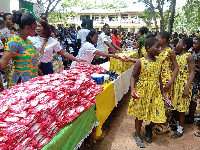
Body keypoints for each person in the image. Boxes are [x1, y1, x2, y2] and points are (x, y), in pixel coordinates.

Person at [127, 37, 166, 148]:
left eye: (160, 47)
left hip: (155, 92)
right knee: (139, 114)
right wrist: (132, 90)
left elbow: (159, 78)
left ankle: (149, 127)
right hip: (142, 91)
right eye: (157, 47)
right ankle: (137, 134)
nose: (159, 49)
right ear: (148, 48)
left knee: (158, 113)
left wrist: (162, 93)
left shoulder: (159, 61)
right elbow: (133, 76)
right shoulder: (141, 61)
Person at [0, 10, 42, 87]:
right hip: (20, 84)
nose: (36, 31)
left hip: (32, 82)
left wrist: (40, 76)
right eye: (34, 28)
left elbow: (32, 63)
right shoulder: (14, 42)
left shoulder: (29, 42)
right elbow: (3, 62)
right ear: (28, 27)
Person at [154, 31, 179, 133]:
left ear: (164, 39)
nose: (156, 39)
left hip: (166, 79)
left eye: (158, 38)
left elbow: (176, 67)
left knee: (165, 103)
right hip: (158, 79)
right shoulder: (158, 50)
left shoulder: (170, 51)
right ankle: (159, 122)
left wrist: (171, 82)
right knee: (158, 102)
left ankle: (164, 126)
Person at [171, 37, 195, 138]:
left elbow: (192, 72)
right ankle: (177, 125)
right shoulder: (178, 56)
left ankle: (180, 129)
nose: (177, 45)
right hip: (177, 85)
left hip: (184, 85)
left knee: (181, 109)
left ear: (184, 46)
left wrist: (187, 88)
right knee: (176, 106)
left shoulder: (189, 56)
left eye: (179, 43)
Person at [185, 38, 200, 124]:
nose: (193, 45)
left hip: (196, 80)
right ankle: (190, 114)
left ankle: (191, 116)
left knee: (194, 98)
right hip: (192, 79)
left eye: (195, 44)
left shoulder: (198, 56)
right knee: (191, 98)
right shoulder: (193, 54)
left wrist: (192, 68)